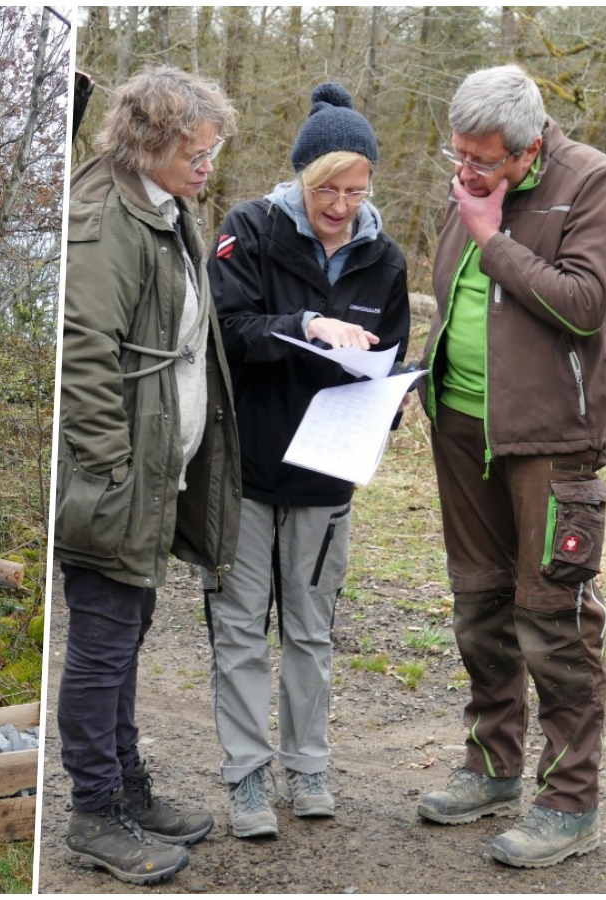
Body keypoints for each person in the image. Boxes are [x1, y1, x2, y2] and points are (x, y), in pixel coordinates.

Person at [416, 64, 606, 869]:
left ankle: (571, 803)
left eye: (484, 161)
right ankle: (493, 766)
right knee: (479, 604)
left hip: (548, 439)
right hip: (463, 425)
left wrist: (489, 235)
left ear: (531, 146)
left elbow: (583, 303)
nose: (466, 174)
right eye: (457, 157)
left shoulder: (589, 179)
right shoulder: (474, 177)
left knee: (554, 620)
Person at [53, 65, 242, 885]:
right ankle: (95, 812)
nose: (208, 166)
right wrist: (114, 469)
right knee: (101, 646)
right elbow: (83, 351)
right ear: (150, 142)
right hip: (116, 480)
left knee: (125, 639)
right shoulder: (104, 216)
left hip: (153, 474)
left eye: (212, 152)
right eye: (197, 152)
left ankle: (128, 789)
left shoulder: (165, 208)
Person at [206, 82, 410, 837]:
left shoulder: (384, 259)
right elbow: (223, 329)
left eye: (356, 190)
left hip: (327, 481)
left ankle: (309, 768)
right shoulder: (249, 231)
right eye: (328, 187)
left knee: (311, 632)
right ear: (301, 176)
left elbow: (389, 359)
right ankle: (247, 780)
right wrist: (307, 324)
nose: (341, 205)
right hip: (247, 474)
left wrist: (391, 400)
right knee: (237, 630)